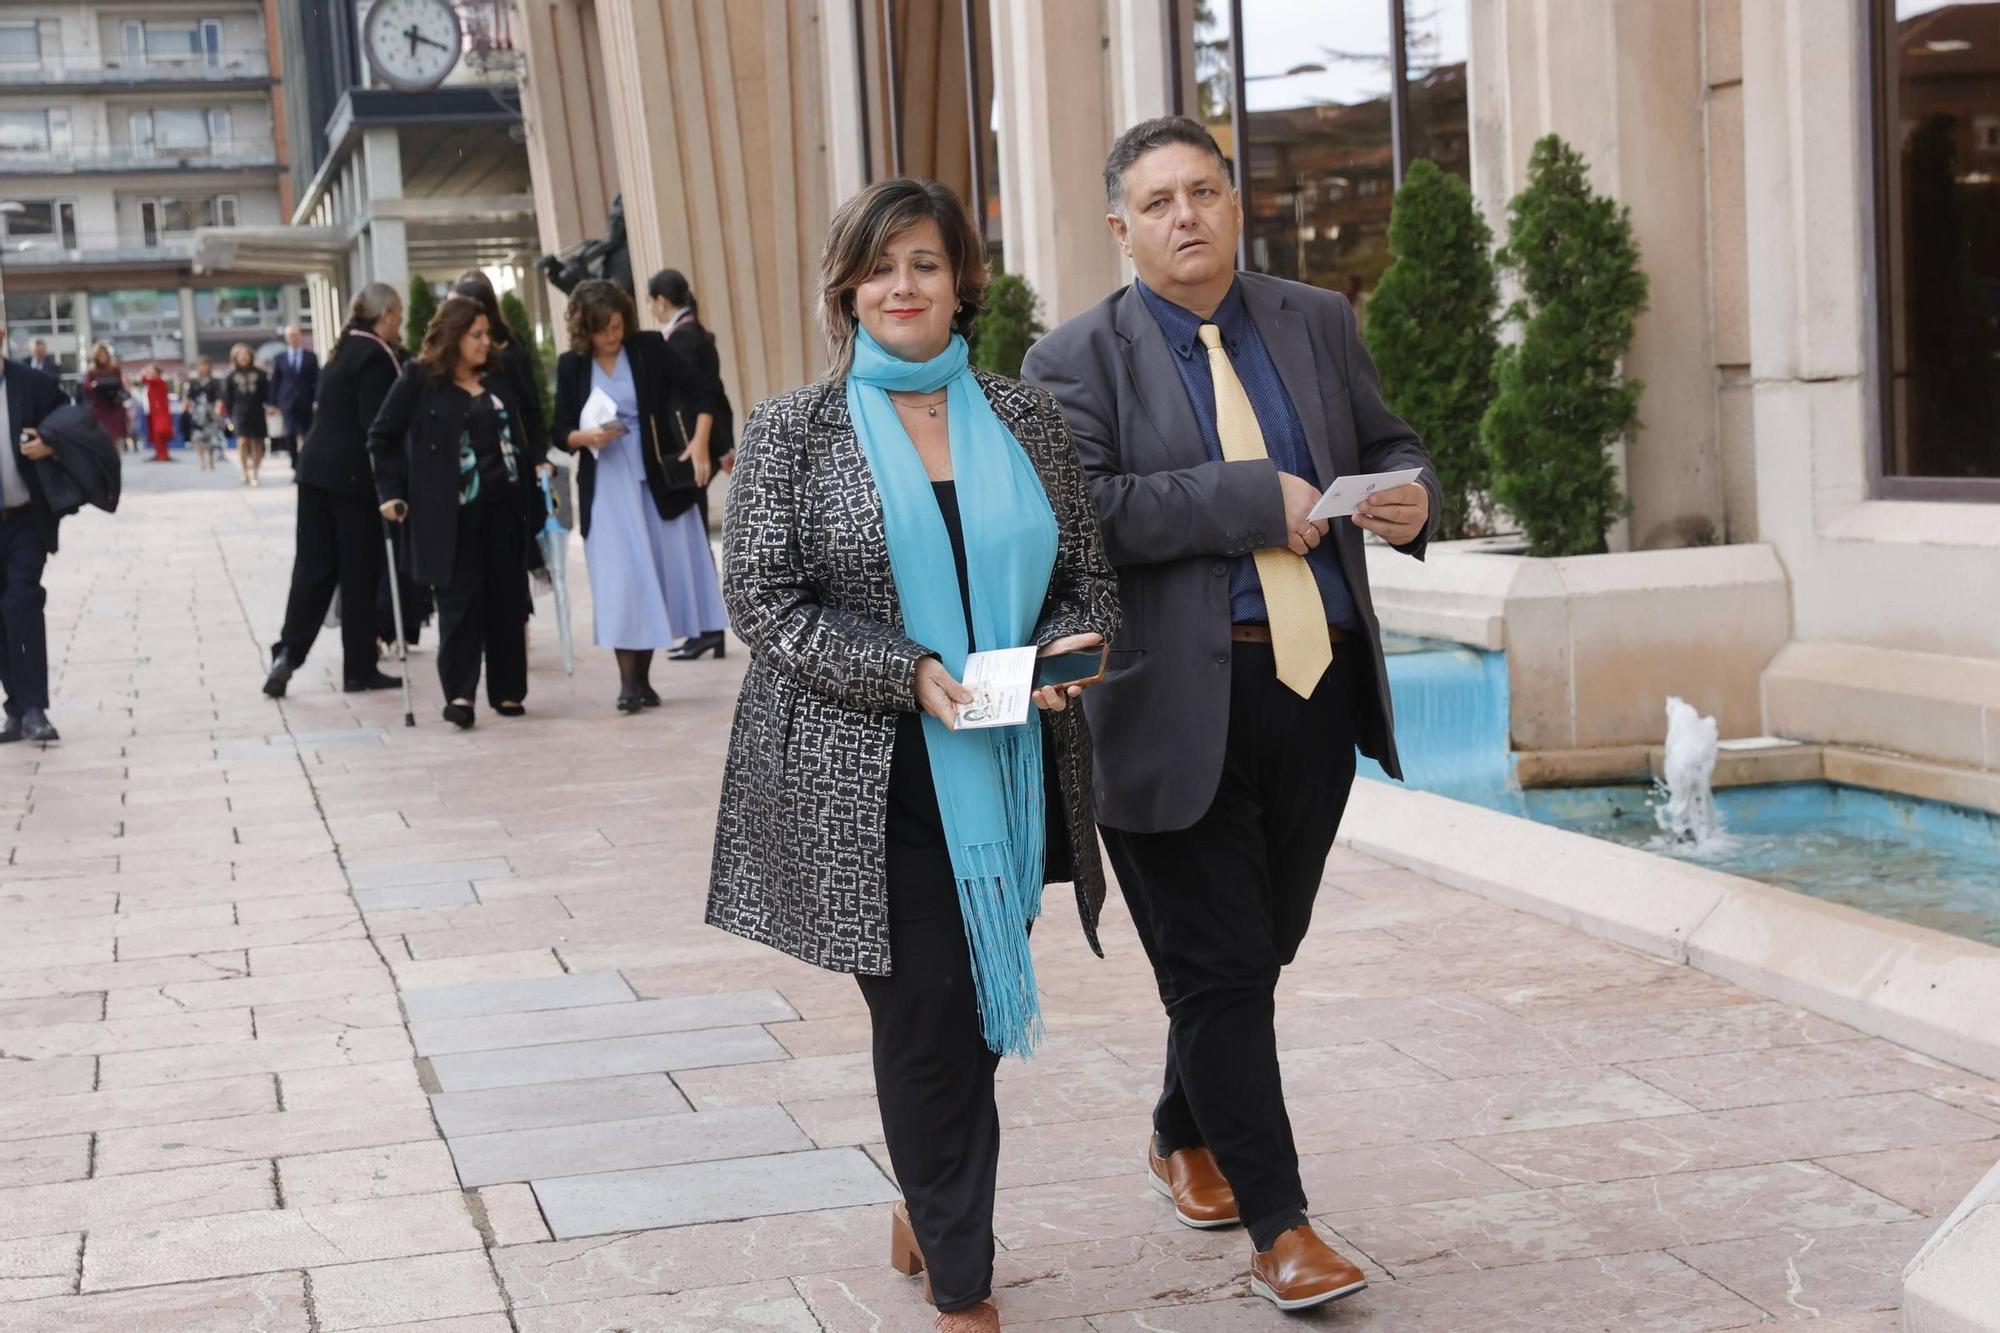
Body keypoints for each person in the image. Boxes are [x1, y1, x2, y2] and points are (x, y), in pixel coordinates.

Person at [1020, 116, 1439, 1313]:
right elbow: (1088, 510)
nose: (1185, 216)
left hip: (1310, 688)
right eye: (1156, 202)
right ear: (1120, 228)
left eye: (1201, 190)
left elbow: (1388, 440)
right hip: (1163, 708)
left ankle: (1176, 1130)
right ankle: (1283, 1225)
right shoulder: (1069, 363)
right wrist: (1257, 497)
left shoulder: (1314, 319)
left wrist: (1412, 492)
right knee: (1214, 966)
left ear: (1232, 201)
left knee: (1252, 954)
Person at [707, 178, 1119, 1333]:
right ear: (847, 289)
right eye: (880, 267)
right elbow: (764, 601)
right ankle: (962, 1286)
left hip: (1005, 764)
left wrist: (1059, 651)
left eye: (925, 263)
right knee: (929, 1015)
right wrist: (907, 672)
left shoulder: (1023, 415)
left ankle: (930, 1200)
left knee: (973, 1010)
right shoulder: (795, 426)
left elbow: (1088, 578)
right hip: (863, 771)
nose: (903, 286)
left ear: (958, 280)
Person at [369, 295, 545, 729]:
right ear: (454, 336)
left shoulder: (501, 376)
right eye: (477, 335)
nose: (487, 343)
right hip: (450, 514)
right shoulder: (419, 379)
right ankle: (461, 695)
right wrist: (390, 491)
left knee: (506, 599)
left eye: (487, 334)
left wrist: (538, 459)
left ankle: (507, 690)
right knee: (460, 604)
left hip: (505, 506)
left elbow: (530, 421)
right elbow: (381, 436)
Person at [553, 280, 728, 712]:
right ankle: (629, 685)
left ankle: (643, 682)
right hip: (605, 483)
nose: (611, 337)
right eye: (601, 331)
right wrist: (585, 435)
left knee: (656, 575)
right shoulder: (572, 365)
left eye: (616, 326)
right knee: (621, 582)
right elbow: (557, 431)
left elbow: (704, 390)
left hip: (656, 481)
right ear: (584, 330)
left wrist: (701, 442)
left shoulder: (648, 348)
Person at [264, 284, 406, 699]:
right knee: (358, 572)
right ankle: (359, 667)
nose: (400, 323)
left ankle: (288, 653)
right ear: (385, 316)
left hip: (316, 472)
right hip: (352, 479)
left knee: (313, 567)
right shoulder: (376, 356)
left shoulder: (343, 350)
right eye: (398, 315)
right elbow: (378, 425)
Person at [646, 266, 734, 660]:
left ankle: (708, 629)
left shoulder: (680, 339)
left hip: (688, 451)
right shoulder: (693, 332)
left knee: (694, 541)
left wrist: (707, 447)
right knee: (696, 538)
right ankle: (708, 630)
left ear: (661, 301)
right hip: (698, 449)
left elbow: (706, 396)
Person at [0, 351, 74, 743]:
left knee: (21, 601)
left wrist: (51, 444)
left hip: (24, 517)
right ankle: (15, 708)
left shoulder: (35, 384)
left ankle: (33, 709)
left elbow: (74, 427)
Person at [268, 325, 319, 471]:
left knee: (307, 434)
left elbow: (317, 380)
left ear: (300, 337)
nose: (293, 338)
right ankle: (295, 464)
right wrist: (272, 404)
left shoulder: (311, 357)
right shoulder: (279, 358)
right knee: (290, 433)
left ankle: (307, 463)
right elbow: (275, 382)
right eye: (290, 336)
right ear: (286, 338)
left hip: (306, 401)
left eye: (296, 335)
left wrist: (317, 399)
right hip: (287, 401)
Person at [223, 343, 273, 486]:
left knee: (258, 442)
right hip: (239, 413)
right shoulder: (230, 377)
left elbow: (267, 394)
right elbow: (228, 399)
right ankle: (244, 471)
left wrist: (270, 406)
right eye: (241, 355)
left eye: (246, 354)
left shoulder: (261, 374)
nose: (244, 357)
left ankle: (255, 473)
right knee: (243, 441)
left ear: (251, 356)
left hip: (257, 411)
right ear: (236, 358)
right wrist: (229, 416)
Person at [82, 344, 131, 452]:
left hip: (114, 408)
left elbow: (121, 387)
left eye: (104, 355)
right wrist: (95, 386)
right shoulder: (92, 372)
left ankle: (115, 465)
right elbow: (86, 390)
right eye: (100, 356)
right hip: (100, 408)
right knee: (102, 439)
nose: (102, 358)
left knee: (116, 441)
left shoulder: (115, 369)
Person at [181, 359, 226, 471]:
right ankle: (202, 460)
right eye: (201, 365)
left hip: (210, 412)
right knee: (198, 437)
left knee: (211, 437)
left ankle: (210, 457)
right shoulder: (194, 382)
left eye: (206, 366)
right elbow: (189, 397)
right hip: (197, 413)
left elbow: (219, 397)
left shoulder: (215, 381)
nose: (204, 368)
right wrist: (186, 407)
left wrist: (218, 409)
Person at [139, 364, 175, 462]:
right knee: (156, 434)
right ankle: (159, 453)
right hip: (154, 411)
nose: (149, 373)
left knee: (160, 432)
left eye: (151, 371)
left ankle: (163, 454)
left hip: (160, 411)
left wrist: (143, 372)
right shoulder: (153, 383)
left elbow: (143, 380)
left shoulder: (158, 381)